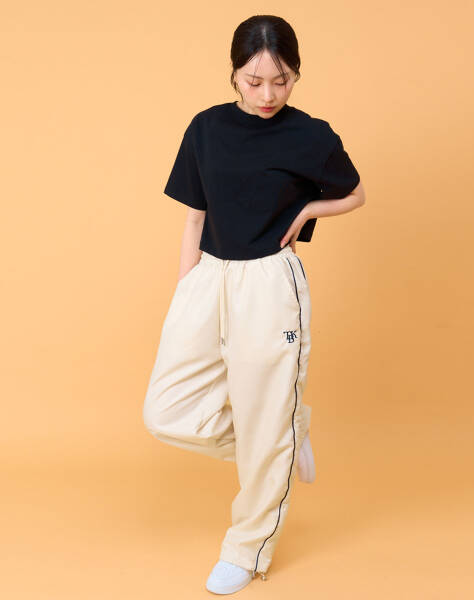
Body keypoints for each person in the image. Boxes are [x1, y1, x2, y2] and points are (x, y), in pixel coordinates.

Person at [142, 14, 365, 595]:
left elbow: (355, 193)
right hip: (210, 273)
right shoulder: (206, 128)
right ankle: (287, 434)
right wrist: (186, 291)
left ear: (296, 74)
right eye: (254, 80)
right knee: (166, 411)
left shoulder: (311, 136)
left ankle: (247, 547)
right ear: (234, 74)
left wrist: (307, 210)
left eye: (281, 80)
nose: (268, 94)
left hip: (269, 283)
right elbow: (195, 218)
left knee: (266, 419)